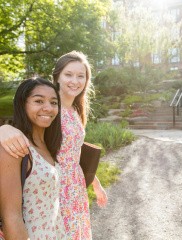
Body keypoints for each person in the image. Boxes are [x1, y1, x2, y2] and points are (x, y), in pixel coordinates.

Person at [0, 51, 108, 239]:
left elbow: (74, 151)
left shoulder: (75, 111)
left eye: (80, 76)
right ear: (57, 76)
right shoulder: (50, 112)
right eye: (68, 74)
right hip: (54, 186)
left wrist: (95, 182)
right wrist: (3, 130)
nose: (75, 81)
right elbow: (25, 127)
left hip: (76, 186)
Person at [0, 78, 67, 239]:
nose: (48, 108)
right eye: (38, 101)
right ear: (23, 104)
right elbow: (11, 217)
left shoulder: (48, 146)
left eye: (54, 102)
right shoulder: (15, 147)